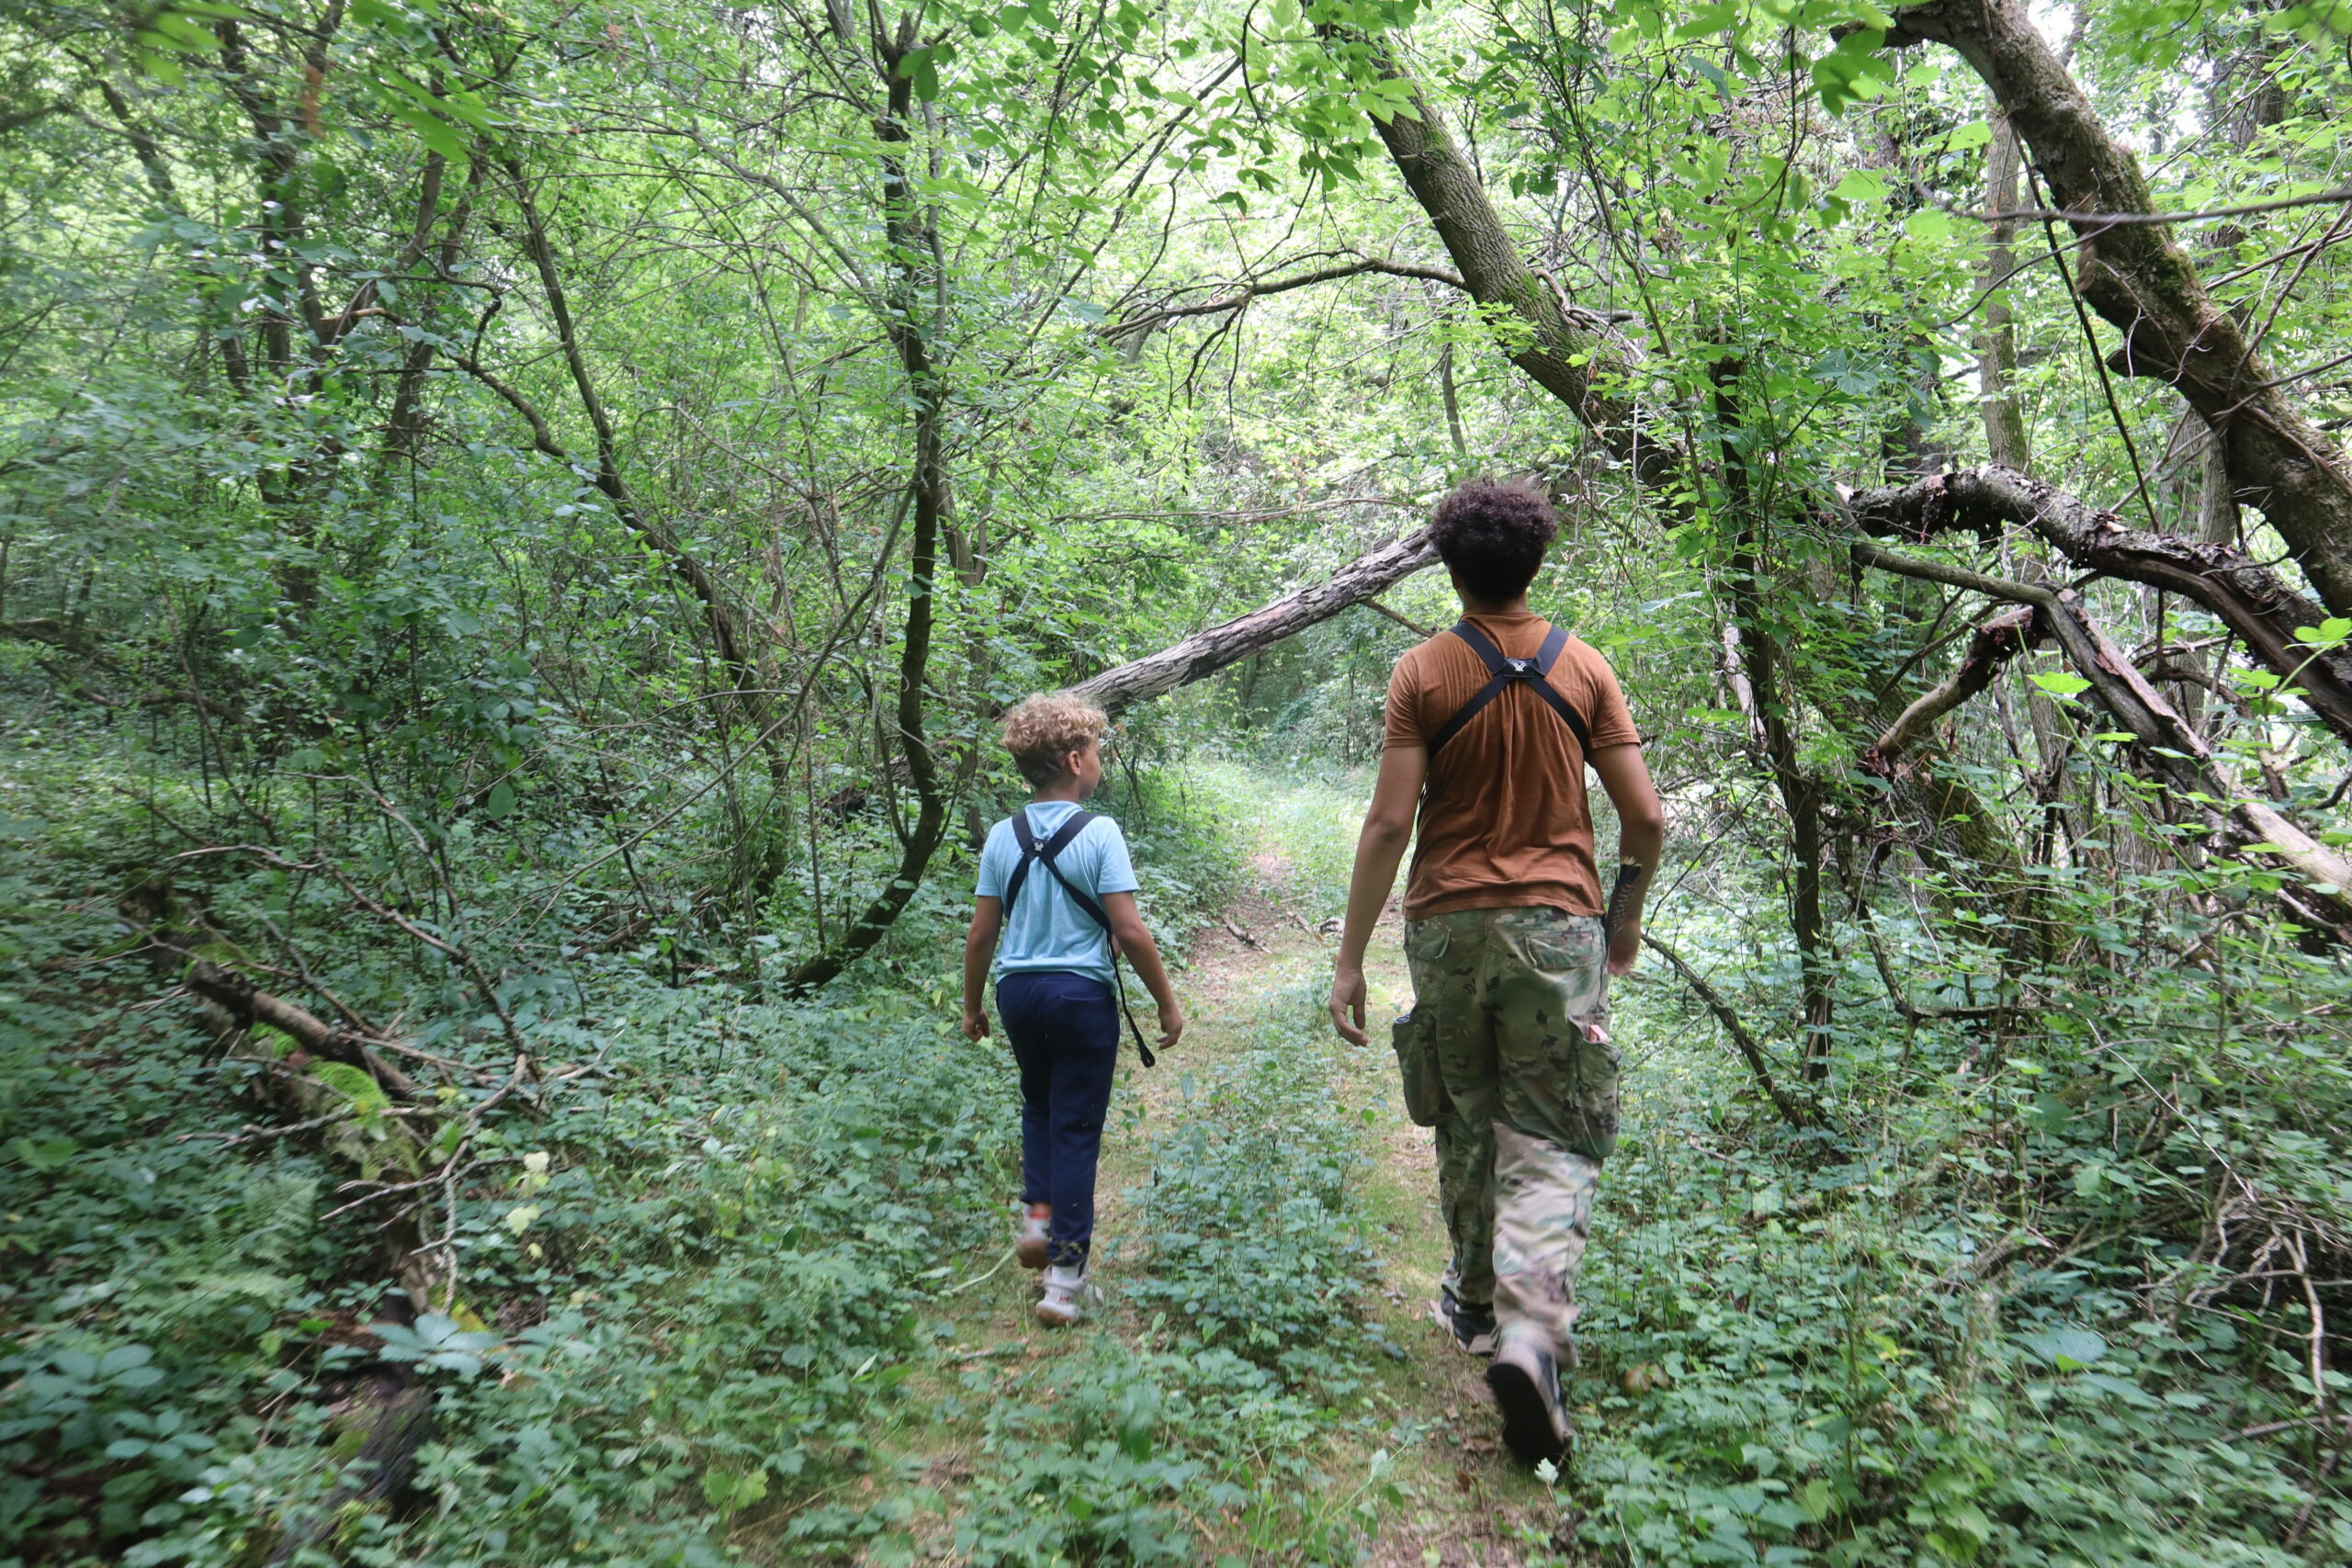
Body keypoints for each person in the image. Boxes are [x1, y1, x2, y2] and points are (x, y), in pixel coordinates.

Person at [1328, 479, 1664, 1467]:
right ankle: (1530, 1332)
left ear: (1446, 566)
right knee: (1550, 1129)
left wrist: (1348, 957)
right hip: (1558, 927)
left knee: (1466, 1112)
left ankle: (1475, 1306)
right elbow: (1643, 818)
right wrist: (1623, 918)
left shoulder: (1420, 672)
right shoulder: (1585, 668)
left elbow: (1391, 821)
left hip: (1444, 927)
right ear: (1536, 564)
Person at [962, 693, 1185, 1327]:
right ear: (1073, 757)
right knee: (1076, 1128)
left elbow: (983, 934)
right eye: (1095, 750)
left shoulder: (1004, 834)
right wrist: (1166, 1003)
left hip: (1018, 994)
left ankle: (1037, 1218)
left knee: (1039, 1105)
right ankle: (1064, 1280)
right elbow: (1131, 931)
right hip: (1079, 997)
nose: (1099, 762)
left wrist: (971, 1005)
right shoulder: (1100, 832)